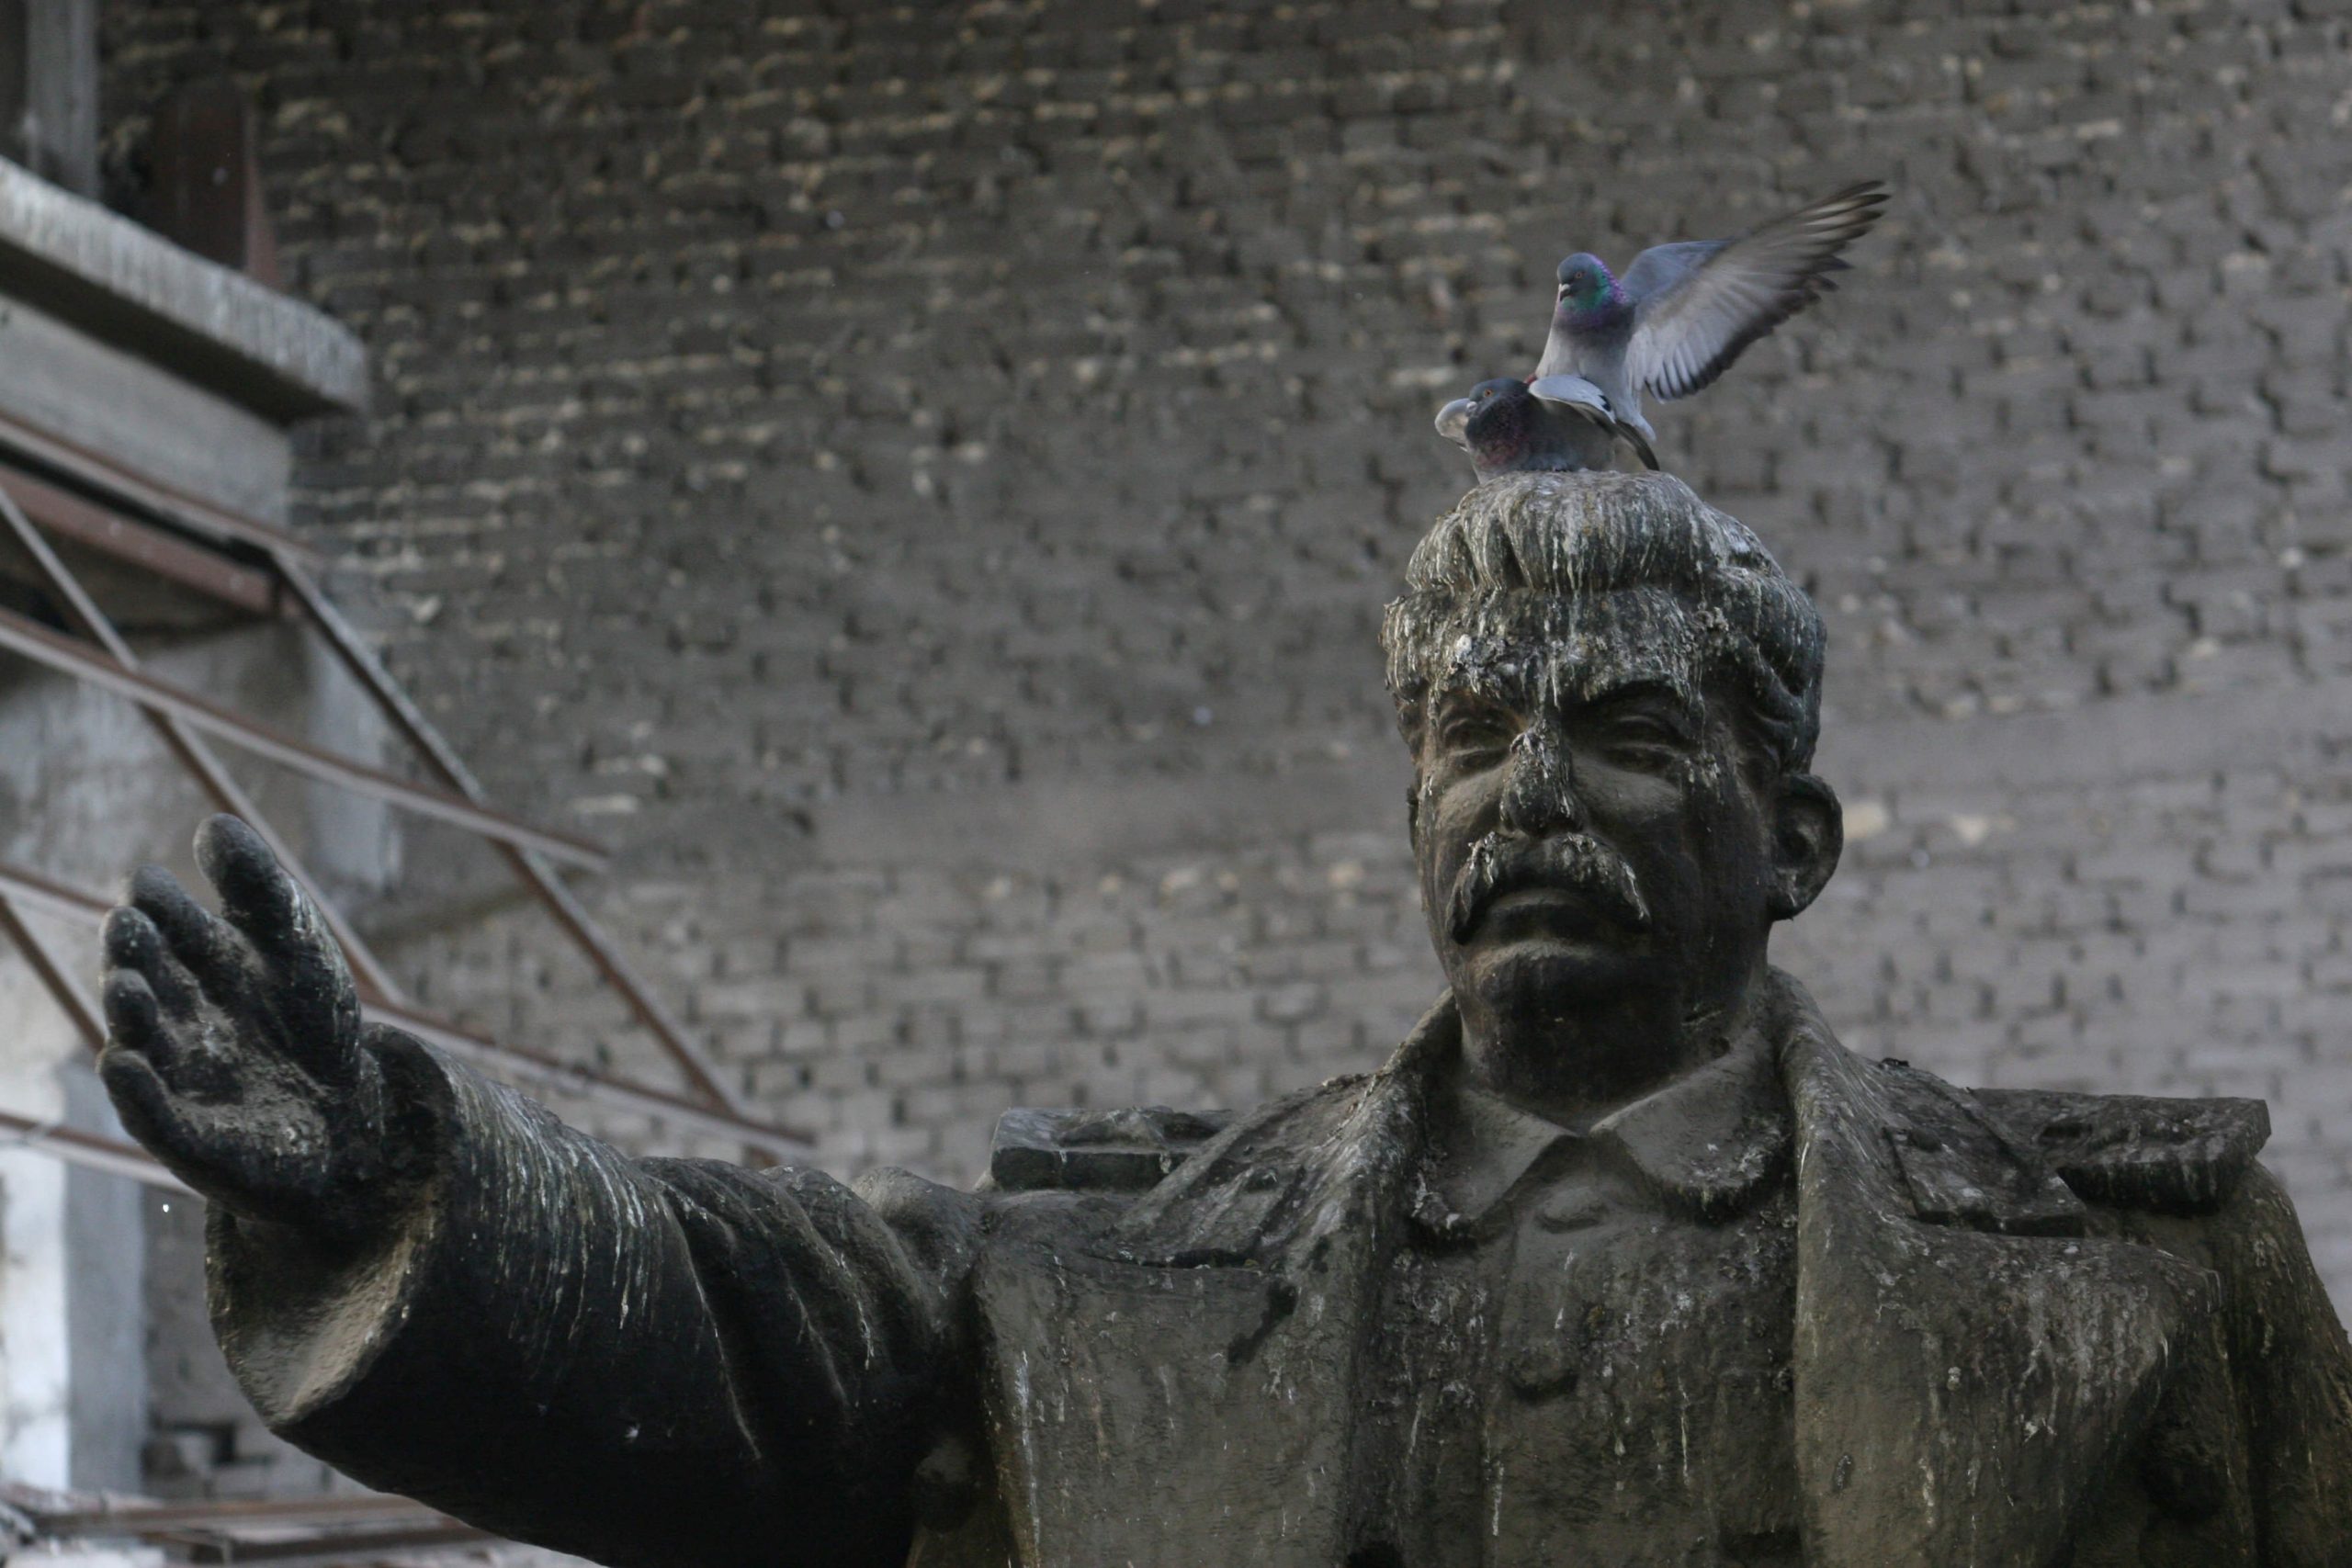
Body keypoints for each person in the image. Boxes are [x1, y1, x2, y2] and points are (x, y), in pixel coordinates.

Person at [98, 472, 2352, 1567]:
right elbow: (736, 1328)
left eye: (1625, 730)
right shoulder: (1118, 1268)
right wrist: (407, 1181)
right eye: (1468, 737)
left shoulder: (2142, 1262)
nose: (1529, 792)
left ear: (1796, 839)